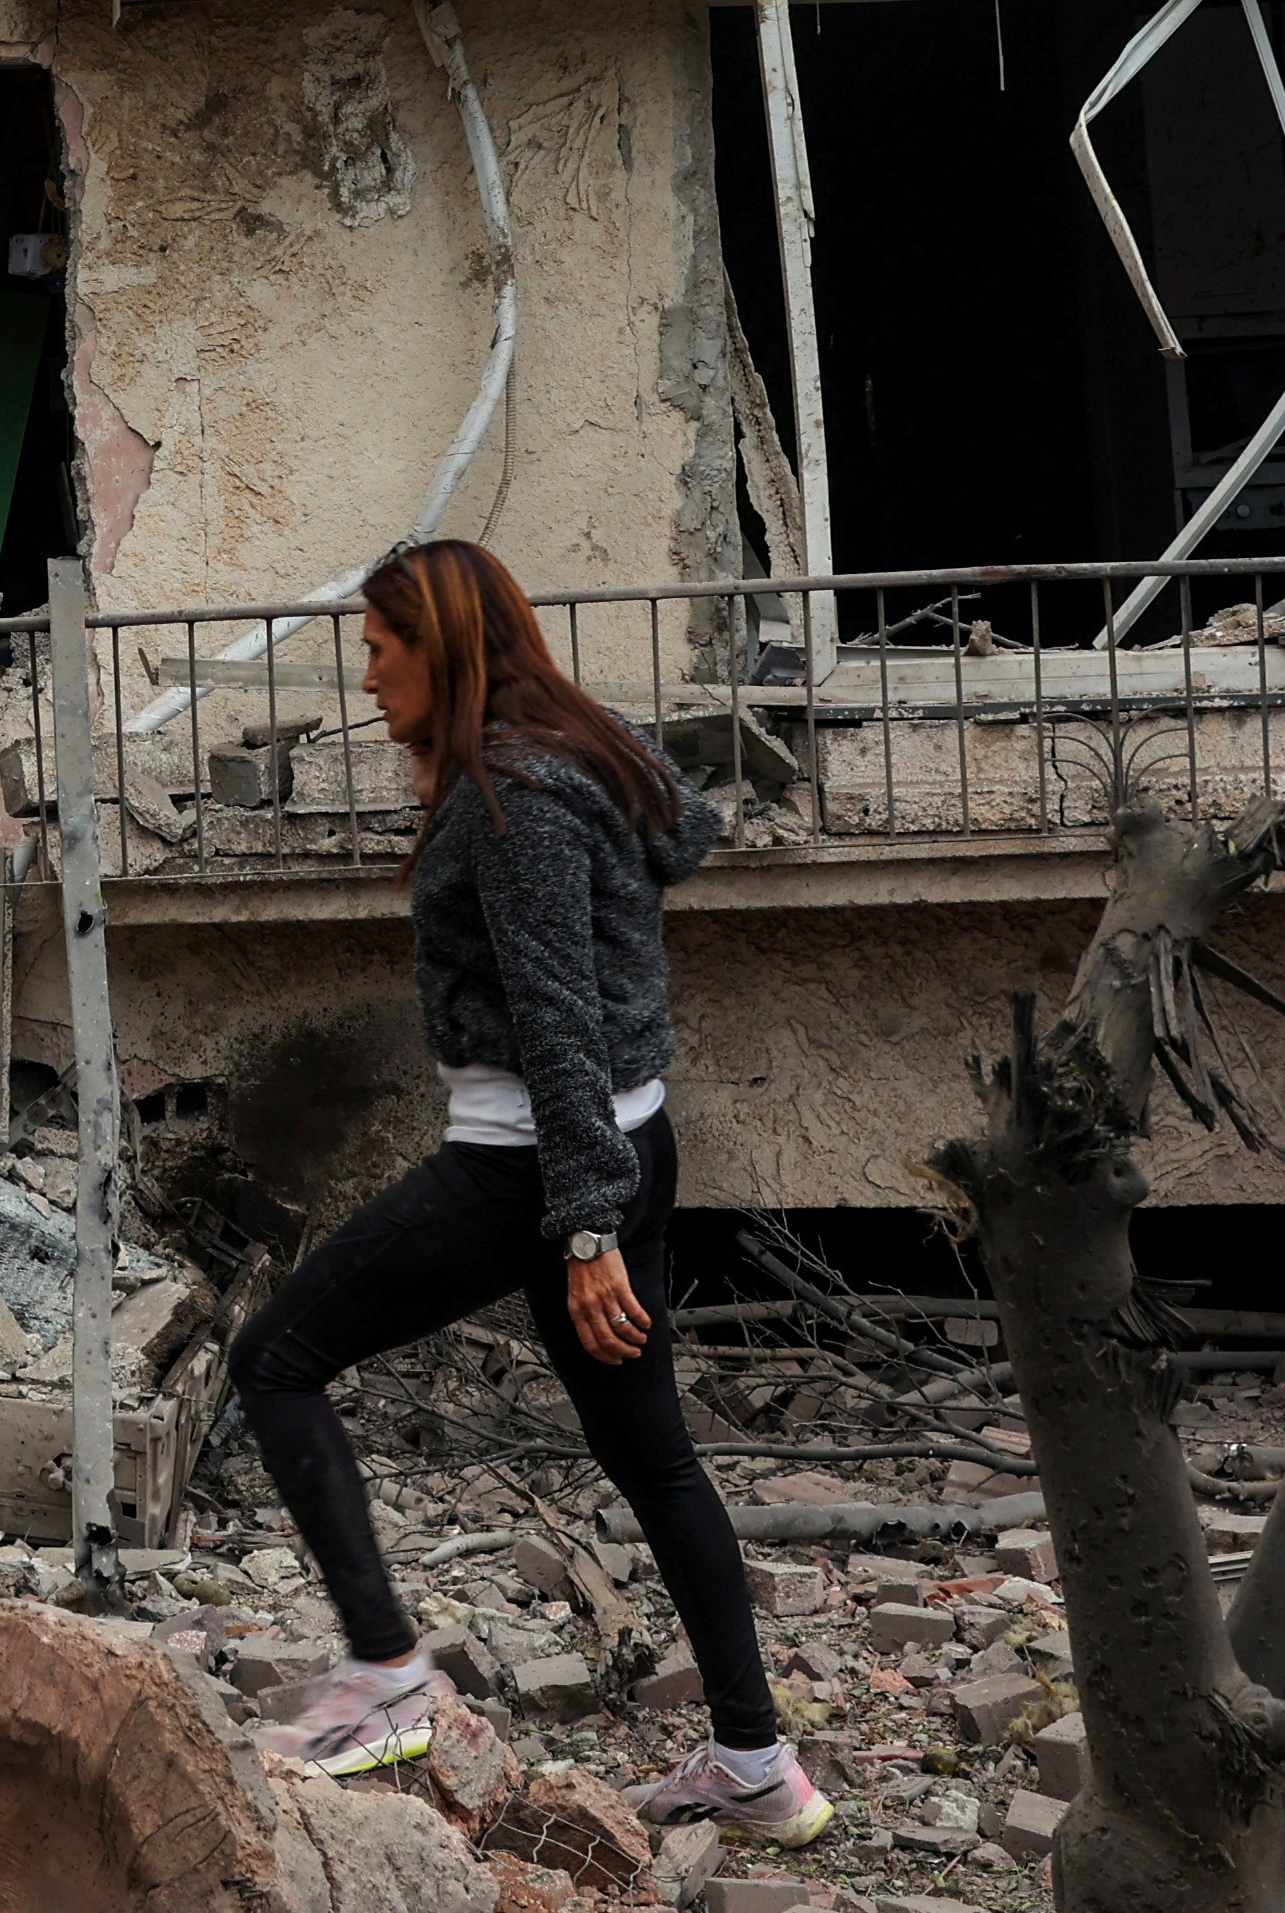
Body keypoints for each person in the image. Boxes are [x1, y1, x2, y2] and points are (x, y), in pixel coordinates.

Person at [225, 539, 823, 1847]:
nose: (369, 672)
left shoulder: (514, 797)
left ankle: (384, 1676)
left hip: (534, 1168)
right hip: (619, 1144)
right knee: (654, 1458)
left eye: (384, 647)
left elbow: (556, 1019)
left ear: (444, 650)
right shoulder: (567, 747)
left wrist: (586, 1223)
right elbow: (690, 829)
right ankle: (754, 1765)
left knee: (274, 1360)